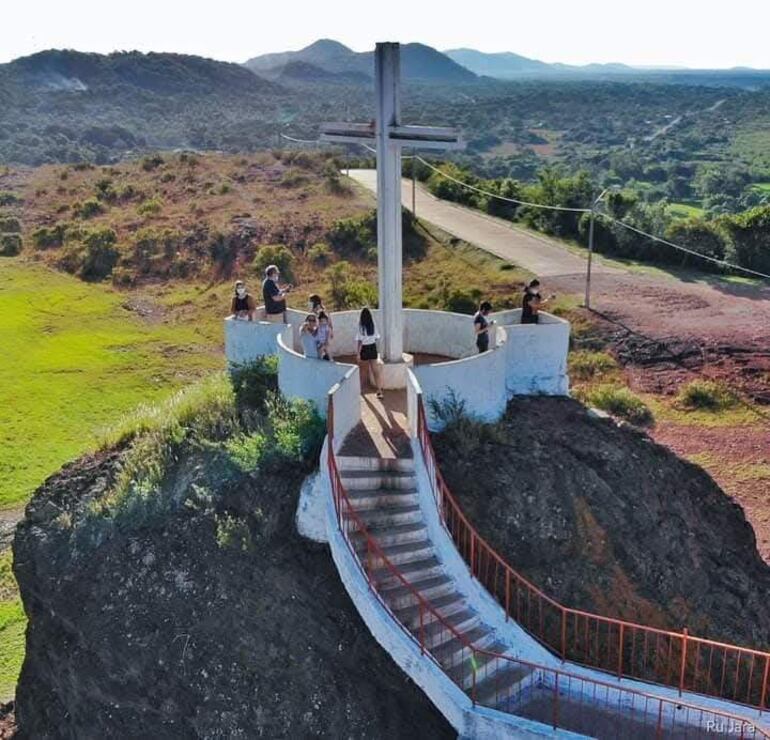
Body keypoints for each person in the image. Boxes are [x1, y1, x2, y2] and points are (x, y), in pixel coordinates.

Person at [356, 307, 383, 398]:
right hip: (372, 347)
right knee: (375, 371)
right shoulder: (373, 324)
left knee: (363, 371)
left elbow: (360, 341)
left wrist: (358, 353)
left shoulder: (360, 326)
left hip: (364, 348)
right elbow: (376, 337)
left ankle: (361, 390)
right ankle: (379, 390)